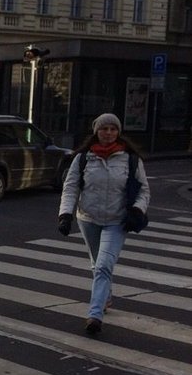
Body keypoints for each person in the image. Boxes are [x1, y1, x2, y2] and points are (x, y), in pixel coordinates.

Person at [58, 112, 150, 335]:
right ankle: (106, 295)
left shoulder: (130, 159)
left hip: (117, 220)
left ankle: (94, 315)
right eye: (103, 129)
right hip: (88, 218)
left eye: (112, 129)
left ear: (118, 132)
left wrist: (137, 209)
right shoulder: (82, 159)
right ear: (96, 131)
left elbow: (143, 189)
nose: (108, 133)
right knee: (96, 263)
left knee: (103, 265)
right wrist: (65, 215)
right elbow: (71, 187)